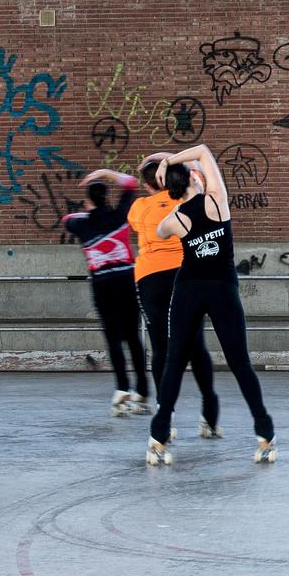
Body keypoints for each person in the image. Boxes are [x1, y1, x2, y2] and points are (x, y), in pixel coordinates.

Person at [147, 143, 274, 467]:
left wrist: (170, 192)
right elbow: (203, 150)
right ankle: (265, 436)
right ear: (194, 177)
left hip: (189, 289)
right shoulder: (217, 201)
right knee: (239, 363)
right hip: (222, 290)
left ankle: (158, 440)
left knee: (175, 361)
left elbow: (160, 233)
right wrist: (171, 161)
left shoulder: (175, 219)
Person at [127, 153, 218, 435]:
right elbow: (200, 172)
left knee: (161, 347)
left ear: (147, 183)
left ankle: (166, 415)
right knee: (196, 346)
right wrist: (170, 158)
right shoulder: (186, 199)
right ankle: (209, 415)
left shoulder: (139, 207)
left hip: (150, 278)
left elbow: (136, 223)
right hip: (185, 274)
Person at [67, 170, 150, 415]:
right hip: (126, 278)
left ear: (89, 201)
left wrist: (89, 210)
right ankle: (143, 388)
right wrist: (104, 173)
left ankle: (122, 386)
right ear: (107, 198)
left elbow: (68, 218)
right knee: (133, 337)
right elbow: (132, 183)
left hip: (102, 283)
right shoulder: (120, 216)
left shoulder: (81, 224)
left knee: (113, 337)